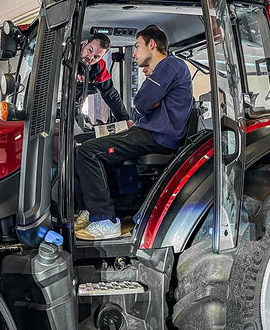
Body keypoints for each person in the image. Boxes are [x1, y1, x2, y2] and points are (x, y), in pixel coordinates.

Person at [74, 25, 193, 240]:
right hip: (148, 131)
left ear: (151, 44)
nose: (135, 53)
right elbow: (143, 106)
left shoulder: (170, 65)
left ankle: (105, 220)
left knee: (88, 151)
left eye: (137, 46)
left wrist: (146, 104)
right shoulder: (165, 69)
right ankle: (100, 210)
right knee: (86, 144)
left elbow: (141, 102)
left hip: (156, 136)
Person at [76, 33, 129, 122]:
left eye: (96, 57)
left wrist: (124, 120)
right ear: (85, 44)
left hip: (71, 104)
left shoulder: (99, 67)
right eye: (90, 50)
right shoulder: (65, 52)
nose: (90, 57)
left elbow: (110, 94)